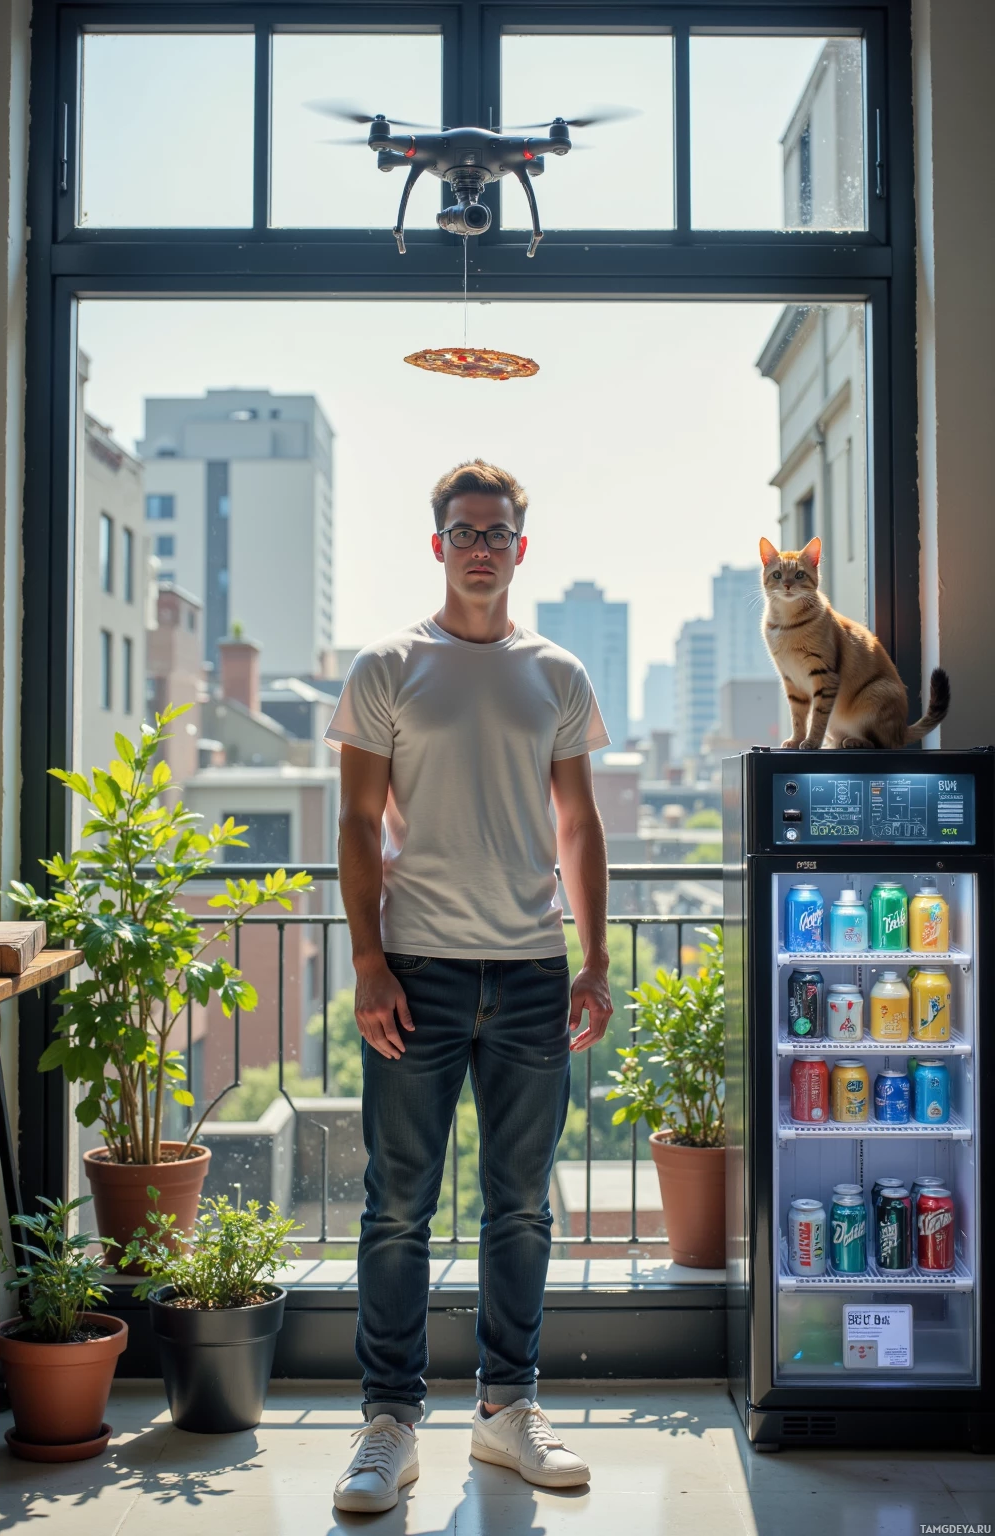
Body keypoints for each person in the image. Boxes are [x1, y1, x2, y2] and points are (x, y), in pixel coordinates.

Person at [326, 460, 613, 1515]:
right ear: (437, 543)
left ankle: (506, 1414)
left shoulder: (558, 674)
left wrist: (594, 958)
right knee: (398, 1207)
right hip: (419, 974)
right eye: (462, 530)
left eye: (497, 532)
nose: (480, 546)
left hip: (534, 973)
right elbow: (356, 825)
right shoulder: (388, 666)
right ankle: (388, 1425)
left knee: (520, 1207)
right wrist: (366, 962)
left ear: (520, 549)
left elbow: (579, 826)